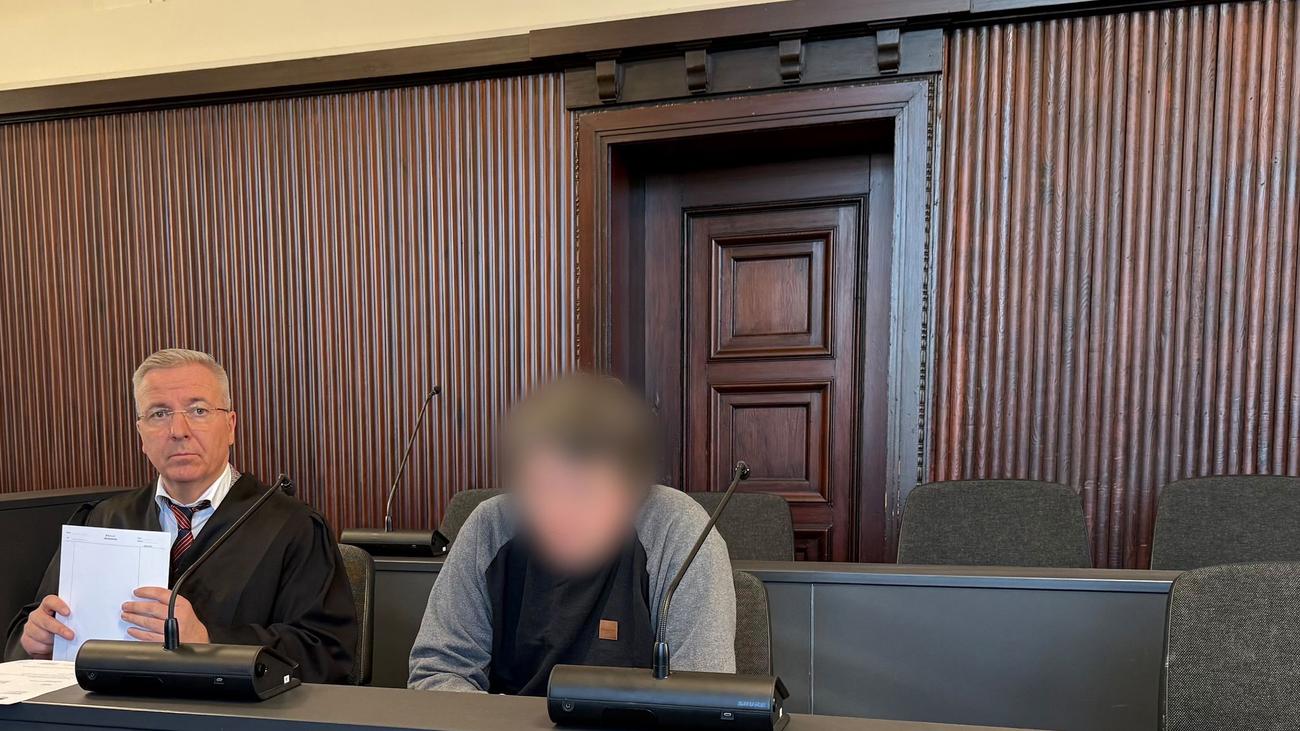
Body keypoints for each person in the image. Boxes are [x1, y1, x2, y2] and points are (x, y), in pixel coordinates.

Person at [4, 348, 358, 684]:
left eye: (198, 410)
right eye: (159, 414)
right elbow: (28, 632)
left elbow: (327, 655)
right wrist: (34, 643)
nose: (178, 430)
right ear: (141, 434)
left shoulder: (292, 526)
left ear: (230, 426)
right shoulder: (104, 520)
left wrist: (207, 641)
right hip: (113, 710)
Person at [408, 373, 736, 695]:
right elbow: (438, 670)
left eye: (584, 491)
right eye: (544, 488)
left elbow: (702, 697)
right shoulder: (491, 528)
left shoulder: (680, 532)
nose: (559, 512)